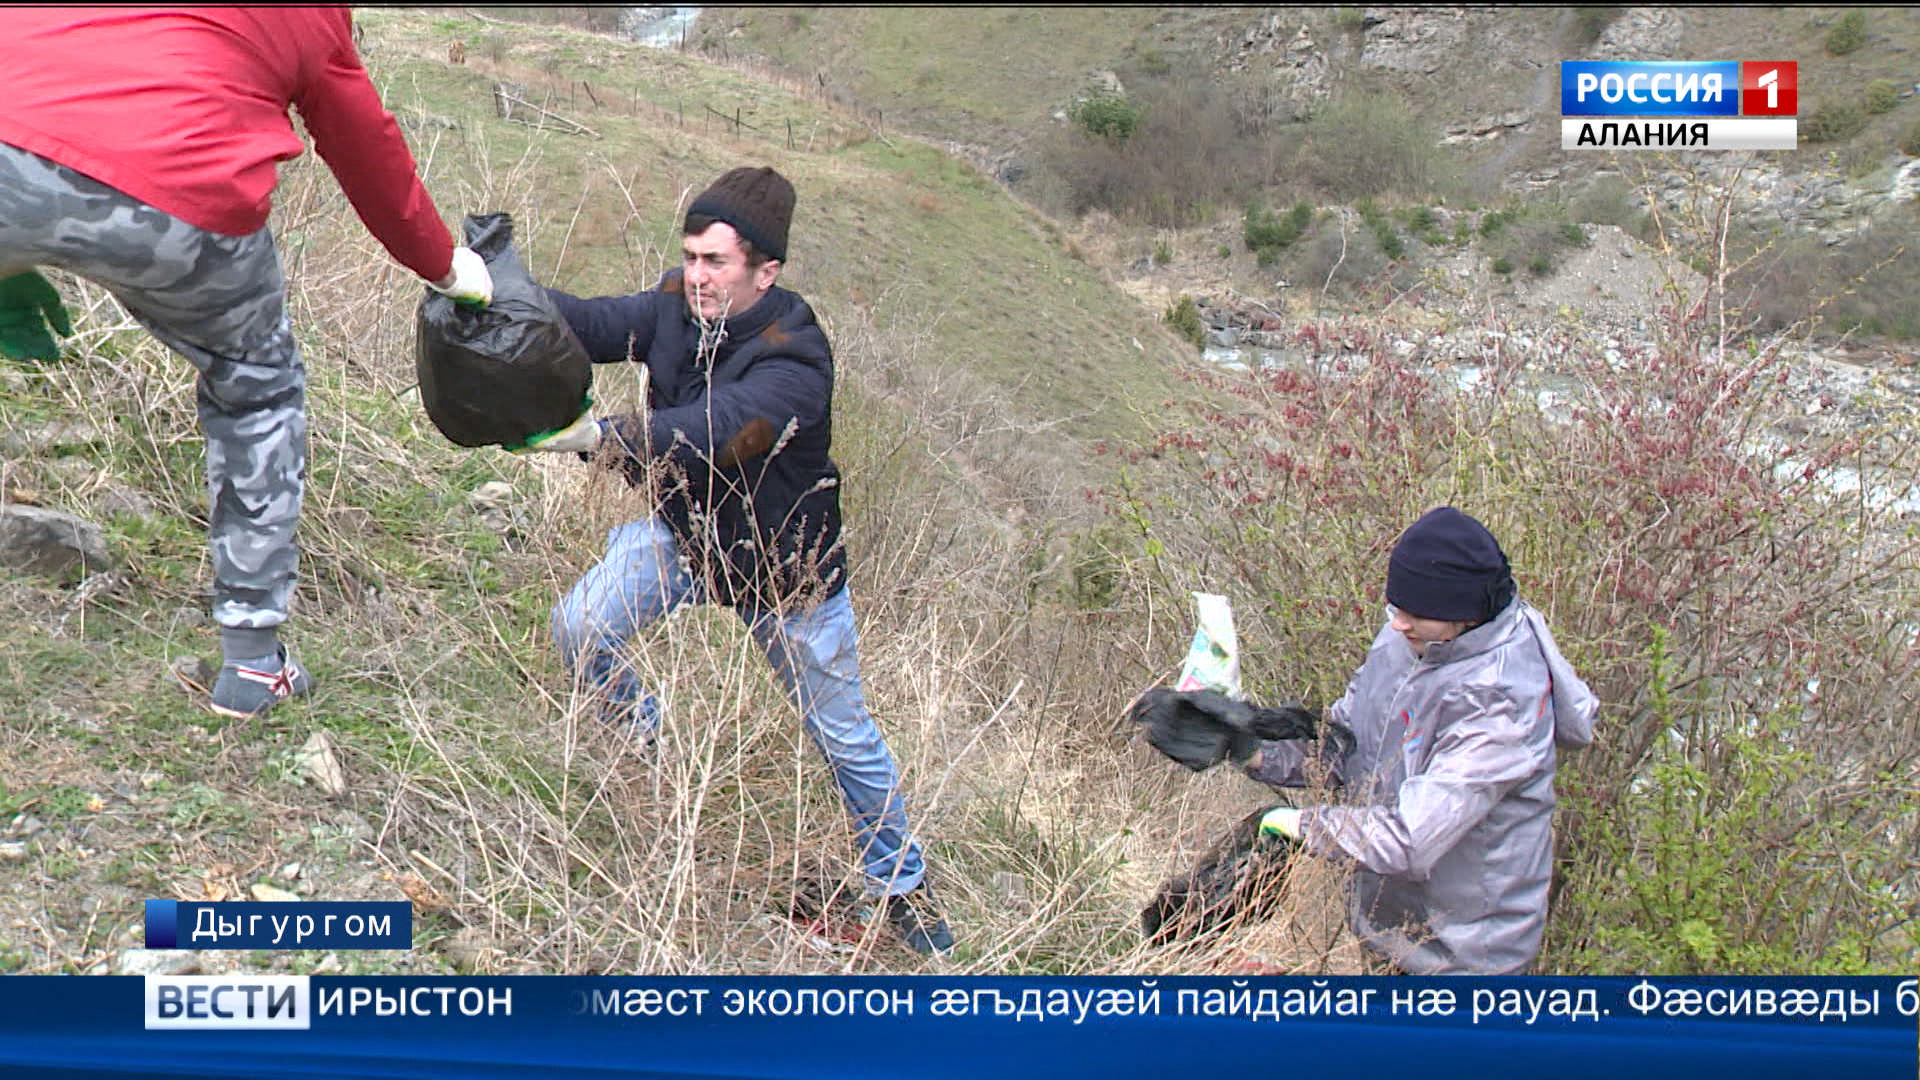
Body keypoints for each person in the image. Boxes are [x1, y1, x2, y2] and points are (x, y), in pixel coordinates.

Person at [0, 8, 494, 718]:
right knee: (256, 388)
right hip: (178, 195)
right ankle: (254, 664)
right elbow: (367, 150)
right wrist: (445, 266)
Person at [519, 166, 954, 956]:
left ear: (766, 272)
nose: (696, 277)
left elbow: (719, 430)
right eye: (690, 256)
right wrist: (496, 287)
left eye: (715, 262)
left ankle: (904, 885)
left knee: (842, 735)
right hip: (687, 541)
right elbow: (587, 321)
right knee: (580, 627)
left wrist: (599, 438)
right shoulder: (673, 307)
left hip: (786, 572)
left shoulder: (798, 357)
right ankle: (648, 758)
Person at [1132, 506, 1597, 974]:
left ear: (1467, 614)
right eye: (1397, 607)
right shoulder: (1408, 641)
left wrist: (1300, 826)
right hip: (1387, 925)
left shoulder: (1501, 706)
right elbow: (1347, 751)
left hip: (1466, 959)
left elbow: (1411, 841)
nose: (1398, 622)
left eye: (1417, 612)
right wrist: (1249, 749)